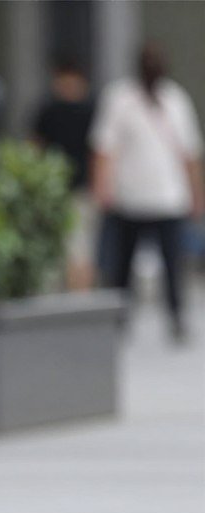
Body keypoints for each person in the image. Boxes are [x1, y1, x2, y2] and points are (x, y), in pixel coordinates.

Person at [89, 42, 205, 343]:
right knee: (122, 266)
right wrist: (102, 188)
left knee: (173, 265)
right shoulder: (120, 98)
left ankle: (176, 318)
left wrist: (197, 194)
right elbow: (104, 148)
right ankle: (120, 319)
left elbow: (190, 153)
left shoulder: (175, 99)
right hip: (129, 197)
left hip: (169, 198)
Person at [31, 57, 98, 291]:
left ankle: (80, 294)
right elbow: (35, 146)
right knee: (62, 247)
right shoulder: (49, 110)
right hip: (54, 187)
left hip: (81, 188)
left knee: (80, 246)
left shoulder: (91, 110)